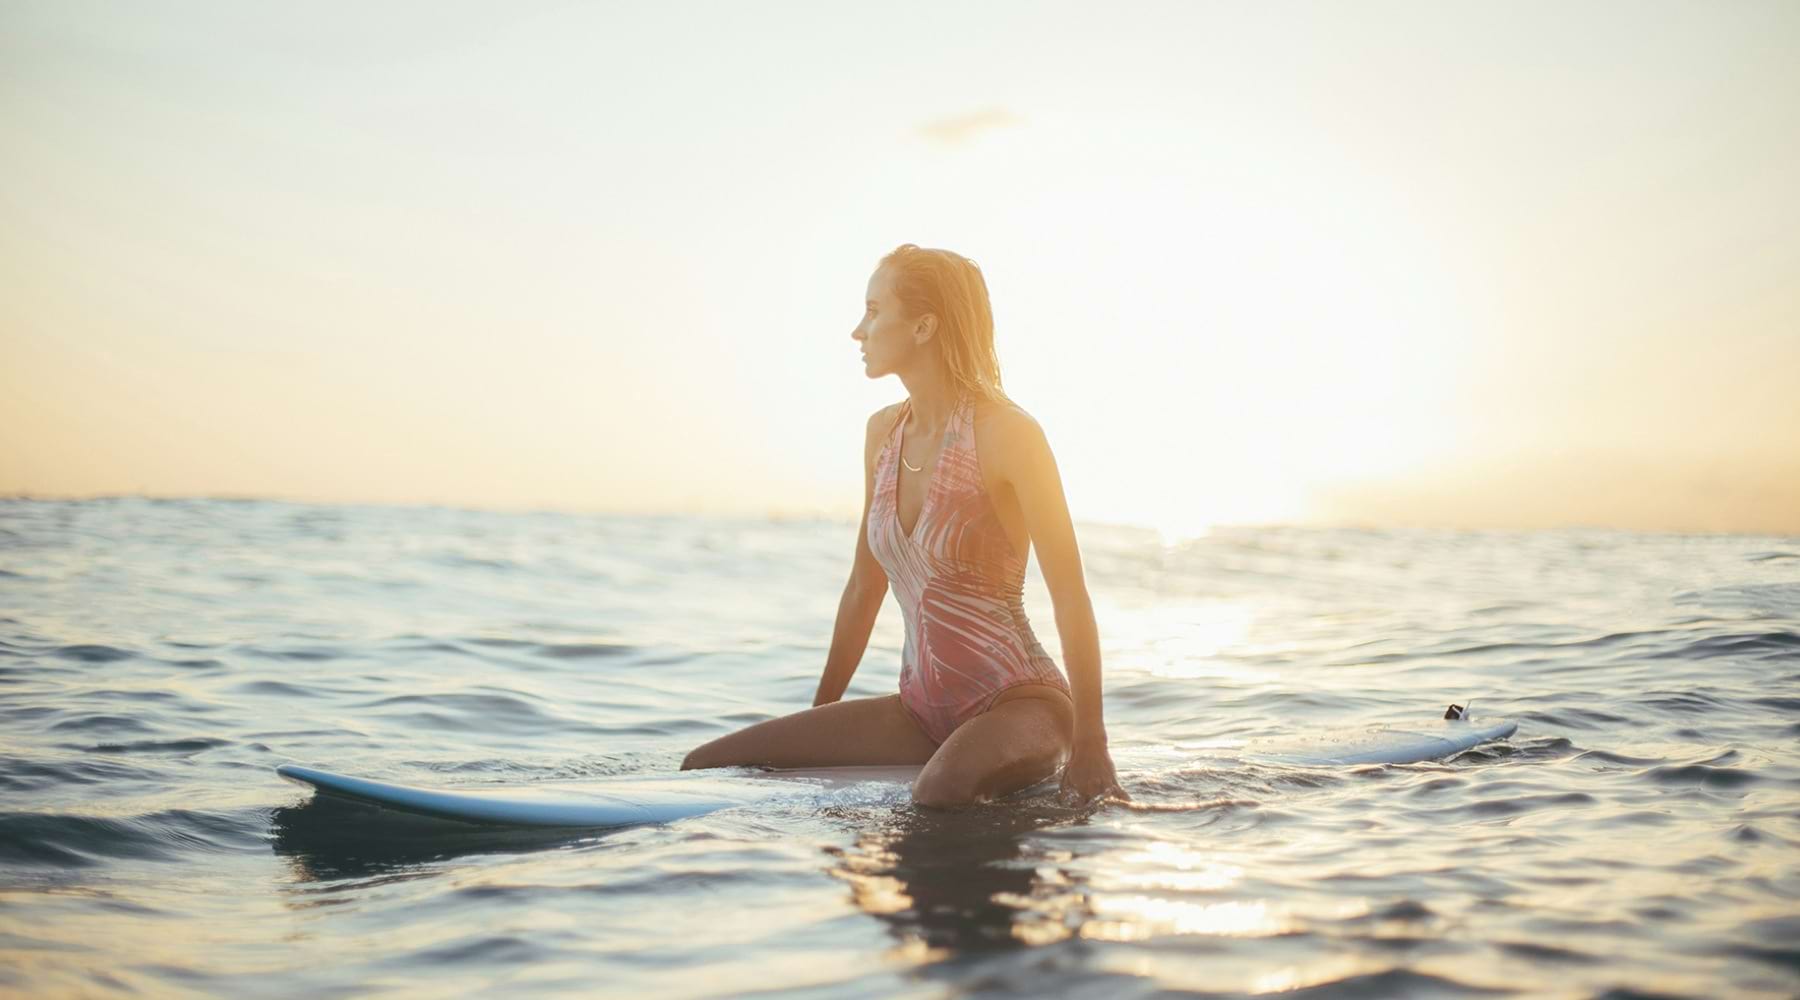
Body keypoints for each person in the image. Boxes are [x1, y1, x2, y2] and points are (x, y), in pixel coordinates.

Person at [681, 243, 1127, 808]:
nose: (856, 331)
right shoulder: (882, 434)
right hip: (919, 711)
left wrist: (1092, 743)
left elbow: (1070, 593)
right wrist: (821, 721)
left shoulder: (1008, 433)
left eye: (873, 310)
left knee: (939, 793)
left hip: (1021, 703)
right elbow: (864, 587)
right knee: (709, 765)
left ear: (923, 326)